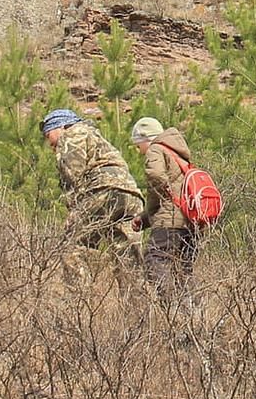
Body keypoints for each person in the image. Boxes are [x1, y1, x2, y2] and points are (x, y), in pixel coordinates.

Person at [43, 108, 144, 255]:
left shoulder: (71, 134)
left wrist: (74, 209)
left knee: (70, 245)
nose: (49, 143)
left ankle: (81, 278)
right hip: (131, 196)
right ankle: (134, 279)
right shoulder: (96, 137)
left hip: (101, 191)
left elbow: (73, 175)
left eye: (48, 134)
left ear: (62, 126)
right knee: (128, 255)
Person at [130, 116, 201, 304]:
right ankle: (195, 313)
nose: (139, 151)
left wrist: (150, 211)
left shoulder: (156, 149)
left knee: (155, 260)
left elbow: (155, 177)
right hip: (190, 221)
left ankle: (172, 309)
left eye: (138, 145)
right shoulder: (178, 154)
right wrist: (144, 219)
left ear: (147, 138)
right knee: (184, 270)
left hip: (169, 221)